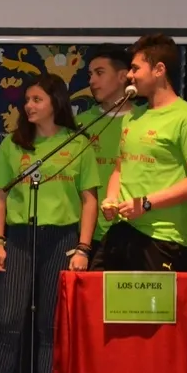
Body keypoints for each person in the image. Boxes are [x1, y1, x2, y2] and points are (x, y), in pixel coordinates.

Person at [0, 73, 101, 373]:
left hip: (61, 239)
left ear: (55, 103)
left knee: (50, 322)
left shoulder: (78, 143)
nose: (28, 106)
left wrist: (83, 247)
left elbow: (89, 199)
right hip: (19, 237)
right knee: (9, 319)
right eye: (26, 100)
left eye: (36, 99)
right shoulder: (13, 145)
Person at [90, 33, 187, 272]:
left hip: (162, 237)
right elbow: (120, 168)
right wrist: (111, 198)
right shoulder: (133, 116)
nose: (130, 75)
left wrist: (146, 203)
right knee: (98, 292)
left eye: (136, 68)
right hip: (122, 231)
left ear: (159, 70)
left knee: (151, 299)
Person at [74, 44, 132, 256]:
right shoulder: (81, 123)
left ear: (123, 76)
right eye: (90, 75)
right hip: (88, 232)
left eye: (99, 73)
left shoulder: (143, 119)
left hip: (133, 227)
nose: (92, 81)